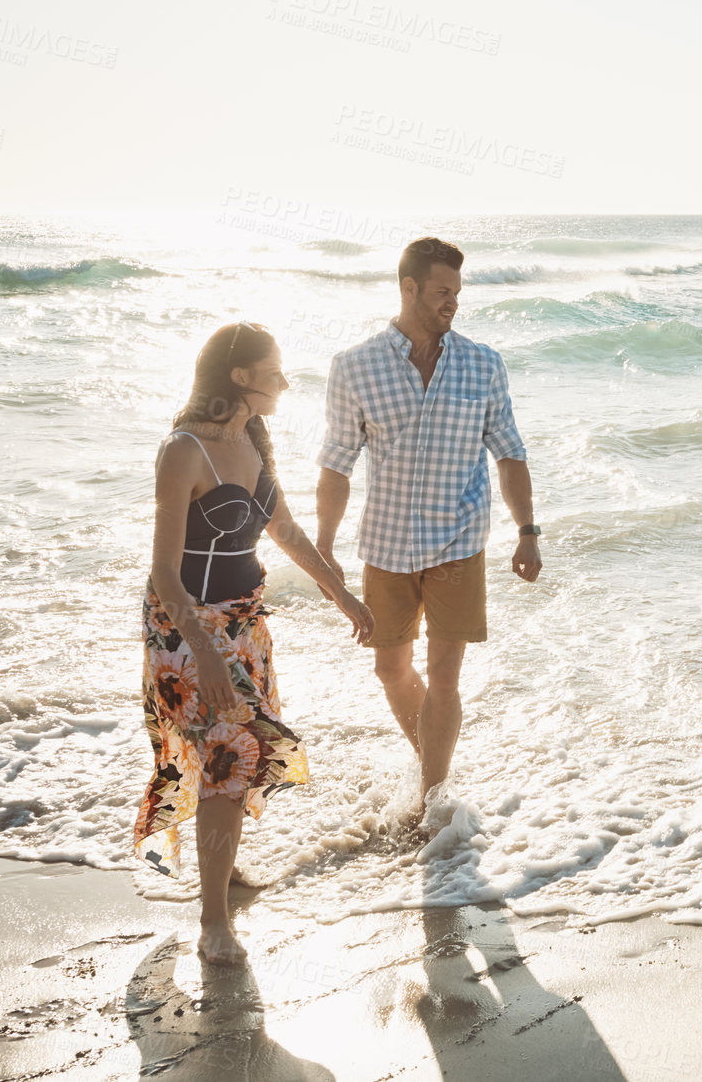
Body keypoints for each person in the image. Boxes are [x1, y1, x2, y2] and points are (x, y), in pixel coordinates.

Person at [136, 321, 374, 964]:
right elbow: (163, 569)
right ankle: (213, 921)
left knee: (239, 758)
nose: (284, 383)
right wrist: (204, 648)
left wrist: (342, 595)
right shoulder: (183, 449)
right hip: (188, 632)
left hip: (244, 625)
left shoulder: (250, 437)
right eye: (274, 372)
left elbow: (287, 532)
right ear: (240, 377)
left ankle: (222, 872)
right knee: (227, 760)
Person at [316, 237, 541, 813]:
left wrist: (527, 531)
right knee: (391, 668)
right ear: (409, 288)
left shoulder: (483, 364)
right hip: (386, 545)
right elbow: (336, 465)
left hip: (458, 541)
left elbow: (509, 454)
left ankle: (432, 799)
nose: (452, 304)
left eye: (457, 293)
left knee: (445, 675)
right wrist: (323, 546)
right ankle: (433, 757)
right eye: (442, 292)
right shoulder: (355, 366)